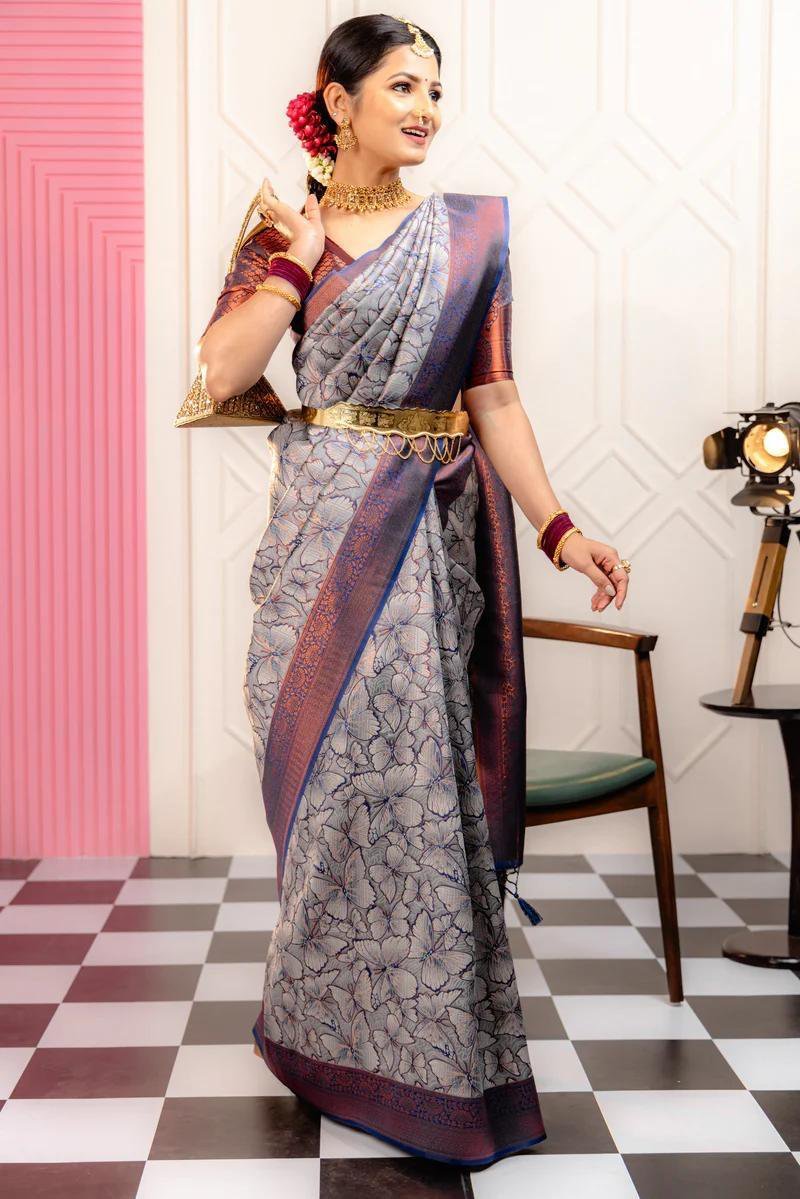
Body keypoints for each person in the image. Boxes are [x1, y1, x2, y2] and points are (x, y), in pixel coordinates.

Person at [196, 13, 631, 1169]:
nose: (426, 107)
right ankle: (314, 1032)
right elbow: (224, 371)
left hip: (428, 541)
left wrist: (559, 528)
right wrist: (295, 256)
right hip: (321, 541)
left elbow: (493, 396)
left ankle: (433, 1060)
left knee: (418, 801)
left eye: (434, 88)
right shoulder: (282, 228)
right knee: (332, 799)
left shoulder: (470, 232)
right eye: (401, 85)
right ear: (337, 102)